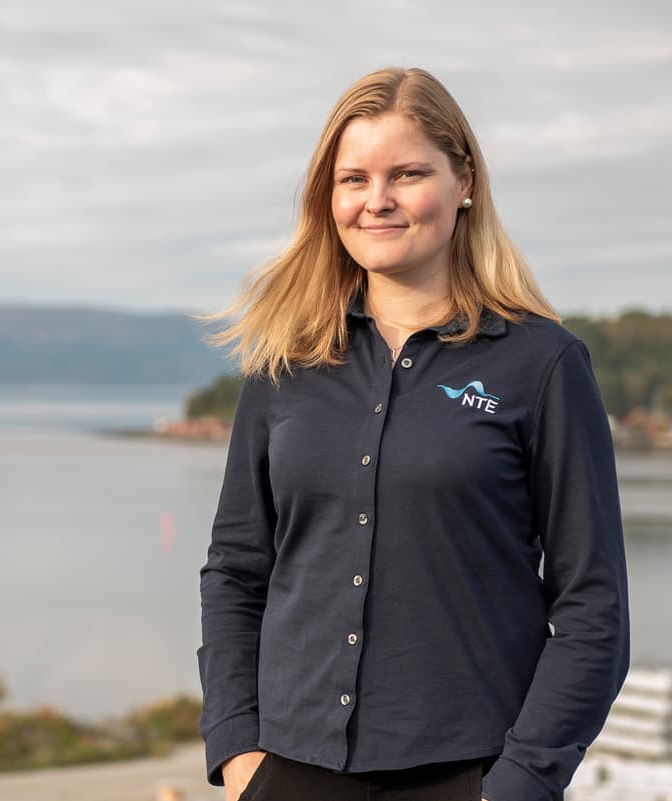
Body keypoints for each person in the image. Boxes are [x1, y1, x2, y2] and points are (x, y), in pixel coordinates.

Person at [197, 66, 630, 801]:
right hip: (290, 770)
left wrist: (521, 782)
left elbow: (593, 606)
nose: (377, 201)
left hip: (468, 772)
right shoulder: (285, 361)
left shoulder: (543, 363)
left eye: (407, 174)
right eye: (354, 178)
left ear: (464, 182)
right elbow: (237, 568)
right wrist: (237, 747)